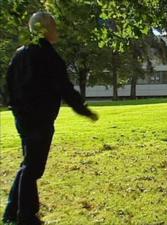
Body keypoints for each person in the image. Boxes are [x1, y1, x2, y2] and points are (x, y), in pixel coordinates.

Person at [2, 12, 98, 225]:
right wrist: (84, 111)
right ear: (44, 29)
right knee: (33, 167)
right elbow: (65, 88)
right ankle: (26, 216)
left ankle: (11, 211)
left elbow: (8, 85)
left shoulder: (19, 55)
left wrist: (15, 107)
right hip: (40, 119)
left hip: (23, 117)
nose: (57, 30)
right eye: (54, 26)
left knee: (28, 163)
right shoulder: (49, 56)